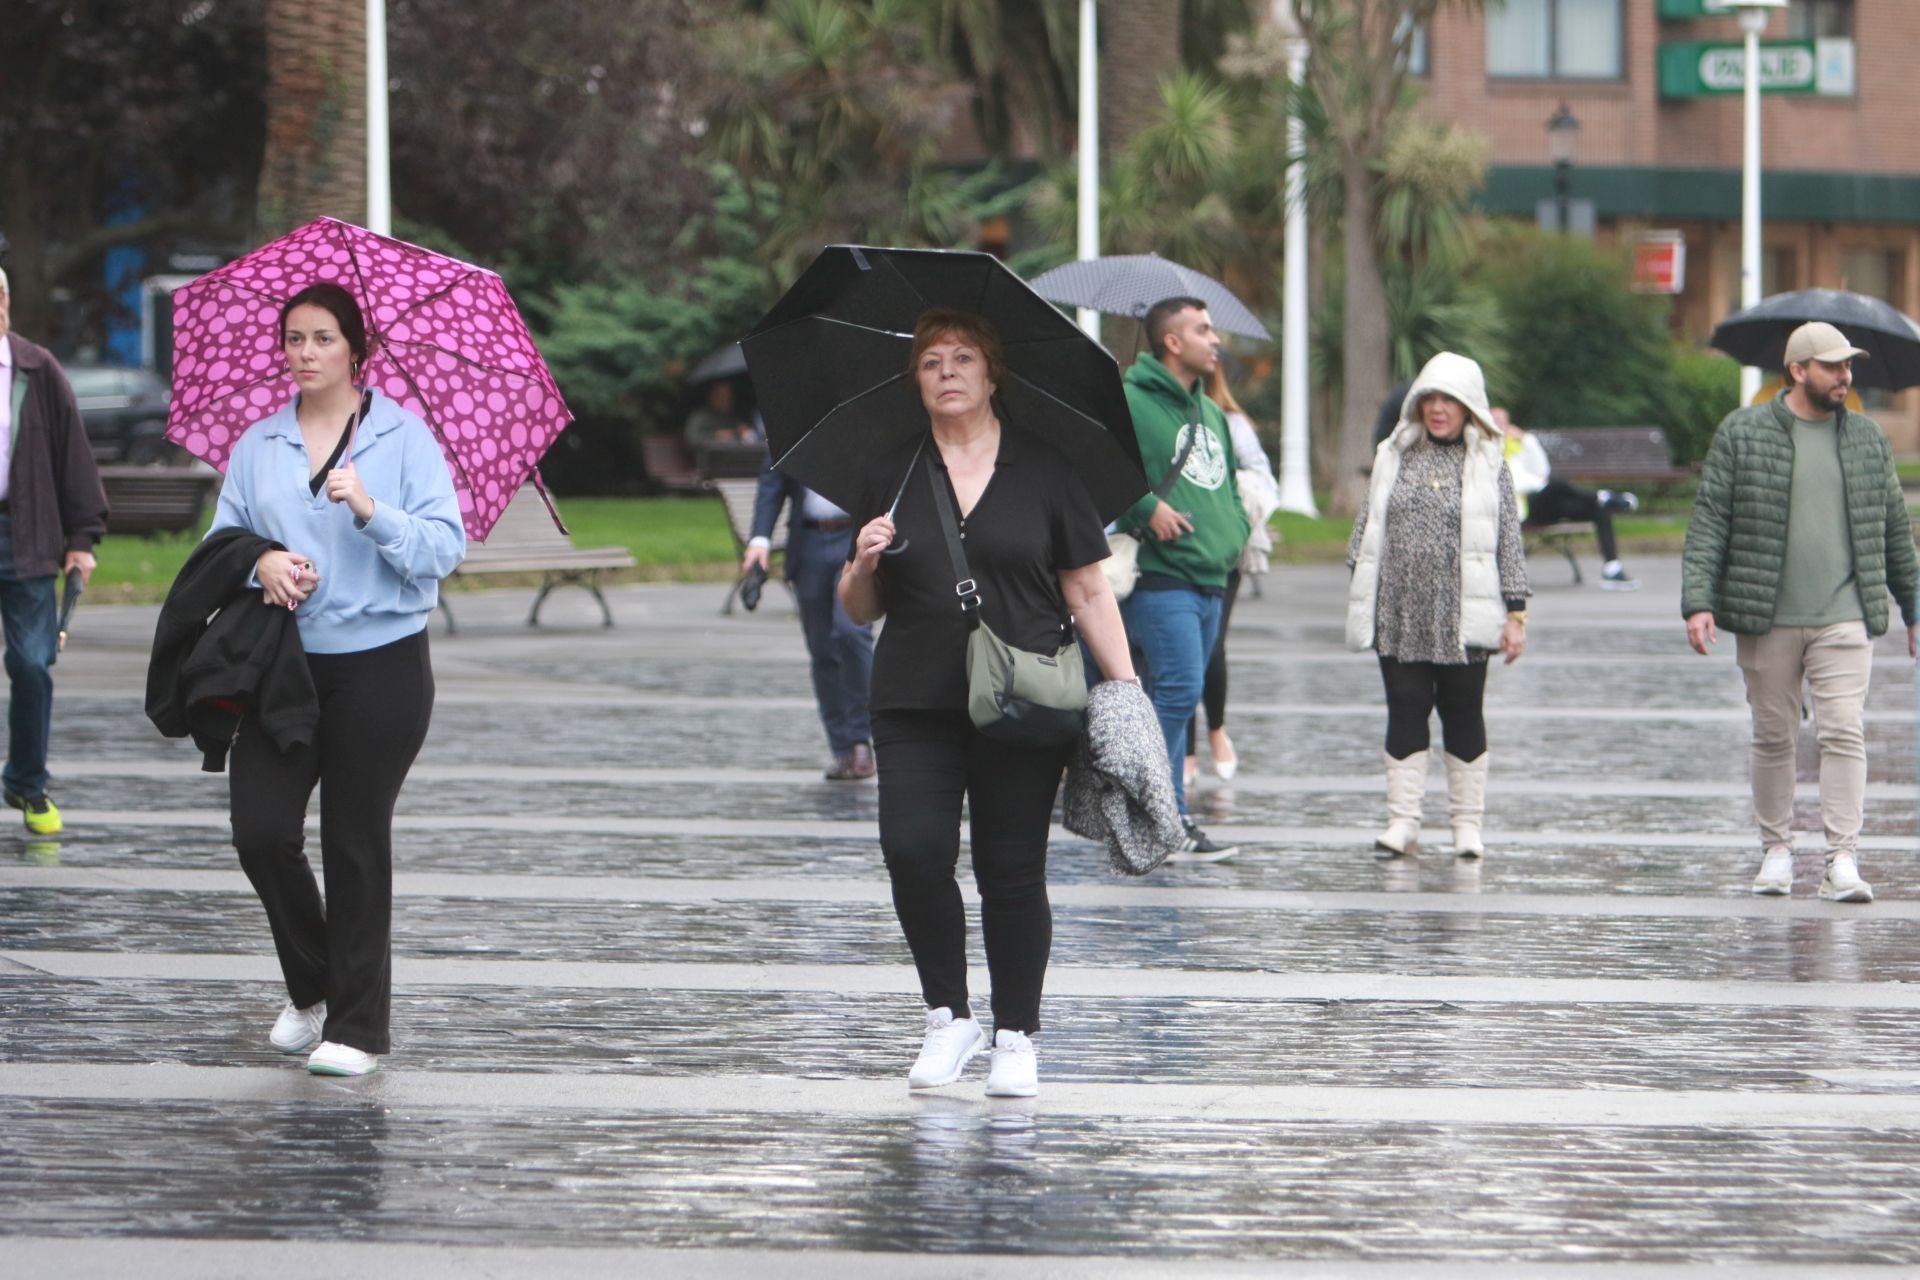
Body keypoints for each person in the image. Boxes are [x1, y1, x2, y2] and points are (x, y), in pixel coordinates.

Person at [840, 307, 1136, 1098]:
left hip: (1023, 697)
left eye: (962, 358)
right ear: (917, 380)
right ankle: (949, 1016)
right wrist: (863, 562)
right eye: (931, 361)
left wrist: (1127, 692)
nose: (946, 373)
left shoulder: (1046, 468)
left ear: (992, 372)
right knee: (912, 851)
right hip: (914, 697)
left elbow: (1086, 587)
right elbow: (859, 607)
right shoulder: (891, 468)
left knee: (1011, 870)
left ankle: (1015, 1035)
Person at [210, 282, 466, 1076]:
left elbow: (443, 549)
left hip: (383, 667)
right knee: (261, 832)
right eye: (293, 339)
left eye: (322, 338)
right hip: (283, 665)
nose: (306, 353)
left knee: (355, 842)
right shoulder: (260, 444)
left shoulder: (402, 438)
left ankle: (355, 1030)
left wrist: (371, 509)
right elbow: (221, 542)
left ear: (356, 348)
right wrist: (262, 562)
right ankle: (314, 982)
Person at [1682, 321, 1918, 904]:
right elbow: (1711, 519)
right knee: (1773, 735)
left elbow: (1892, 527)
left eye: (1848, 366)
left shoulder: (1865, 438)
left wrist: (1913, 607)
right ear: (1797, 371)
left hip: (1845, 613)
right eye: (1833, 366)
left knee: (1844, 731)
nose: (1845, 376)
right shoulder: (1742, 434)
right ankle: (1778, 850)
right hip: (1768, 615)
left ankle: (1842, 857)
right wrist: (1699, 601)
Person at [1347, 352, 1529, 860]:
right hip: (1400, 610)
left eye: (1449, 399)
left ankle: (1466, 825)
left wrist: (1516, 613)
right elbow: (1367, 532)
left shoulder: (1490, 463)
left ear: (1470, 406)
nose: (1438, 409)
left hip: (1463, 613)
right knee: (1404, 709)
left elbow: (1508, 544)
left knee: (1463, 713)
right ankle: (1402, 822)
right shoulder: (1394, 454)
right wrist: (1363, 584)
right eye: (1430, 398)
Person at [1115, 297, 1249, 861]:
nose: (1215, 339)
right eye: (1202, 329)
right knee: (1177, 692)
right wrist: (1146, 509)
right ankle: (1161, 816)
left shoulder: (1210, 410)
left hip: (1213, 575)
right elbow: (1094, 470)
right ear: (1172, 342)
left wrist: (1236, 529)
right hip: (1160, 575)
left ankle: (1158, 813)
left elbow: (1230, 486)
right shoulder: (1129, 399)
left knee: (1177, 694)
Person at [0, 266, 109, 835]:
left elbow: (73, 455)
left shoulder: (37, 369)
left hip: (27, 532)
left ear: (5, 305)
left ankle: (26, 782)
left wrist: (82, 538)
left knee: (32, 664)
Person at [744, 457, 876, 779]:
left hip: (855, 540)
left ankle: (862, 739)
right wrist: (760, 539)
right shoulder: (799, 423)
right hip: (809, 544)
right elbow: (772, 482)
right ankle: (842, 748)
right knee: (821, 650)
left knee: (851, 632)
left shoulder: (866, 426)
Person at [1183, 362, 1279, 789]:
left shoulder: (1231, 421)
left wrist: (1234, 504)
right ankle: (1184, 750)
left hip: (1224, 547)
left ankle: (1216, 729)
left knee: (1212, 645)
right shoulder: (1153, 413)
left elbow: (1264, 479)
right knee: (1175, 653)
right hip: (1173, 545)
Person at [1495, 406, 1640, 591]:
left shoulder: (1519, 446)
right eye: (1495, 421)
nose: (1501, 426)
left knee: (1598, 509)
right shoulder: (1486, 449)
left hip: (1546, 502)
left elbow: (1542, 471)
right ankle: (1605, 496)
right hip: (1522, 508)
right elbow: (1511, 485)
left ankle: (1612, 569)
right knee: (1556, 483)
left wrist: (1526, 439)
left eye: (1504, 421)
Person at [684, 380, 748, 446]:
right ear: (712, 396)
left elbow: (737, 429)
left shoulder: (729, 415)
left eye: (728, 397)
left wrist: (739, 429)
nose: (726, 400)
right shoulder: (699, 416)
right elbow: (692, 439)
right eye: (722, 396)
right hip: (711, 454)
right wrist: (715, 436)